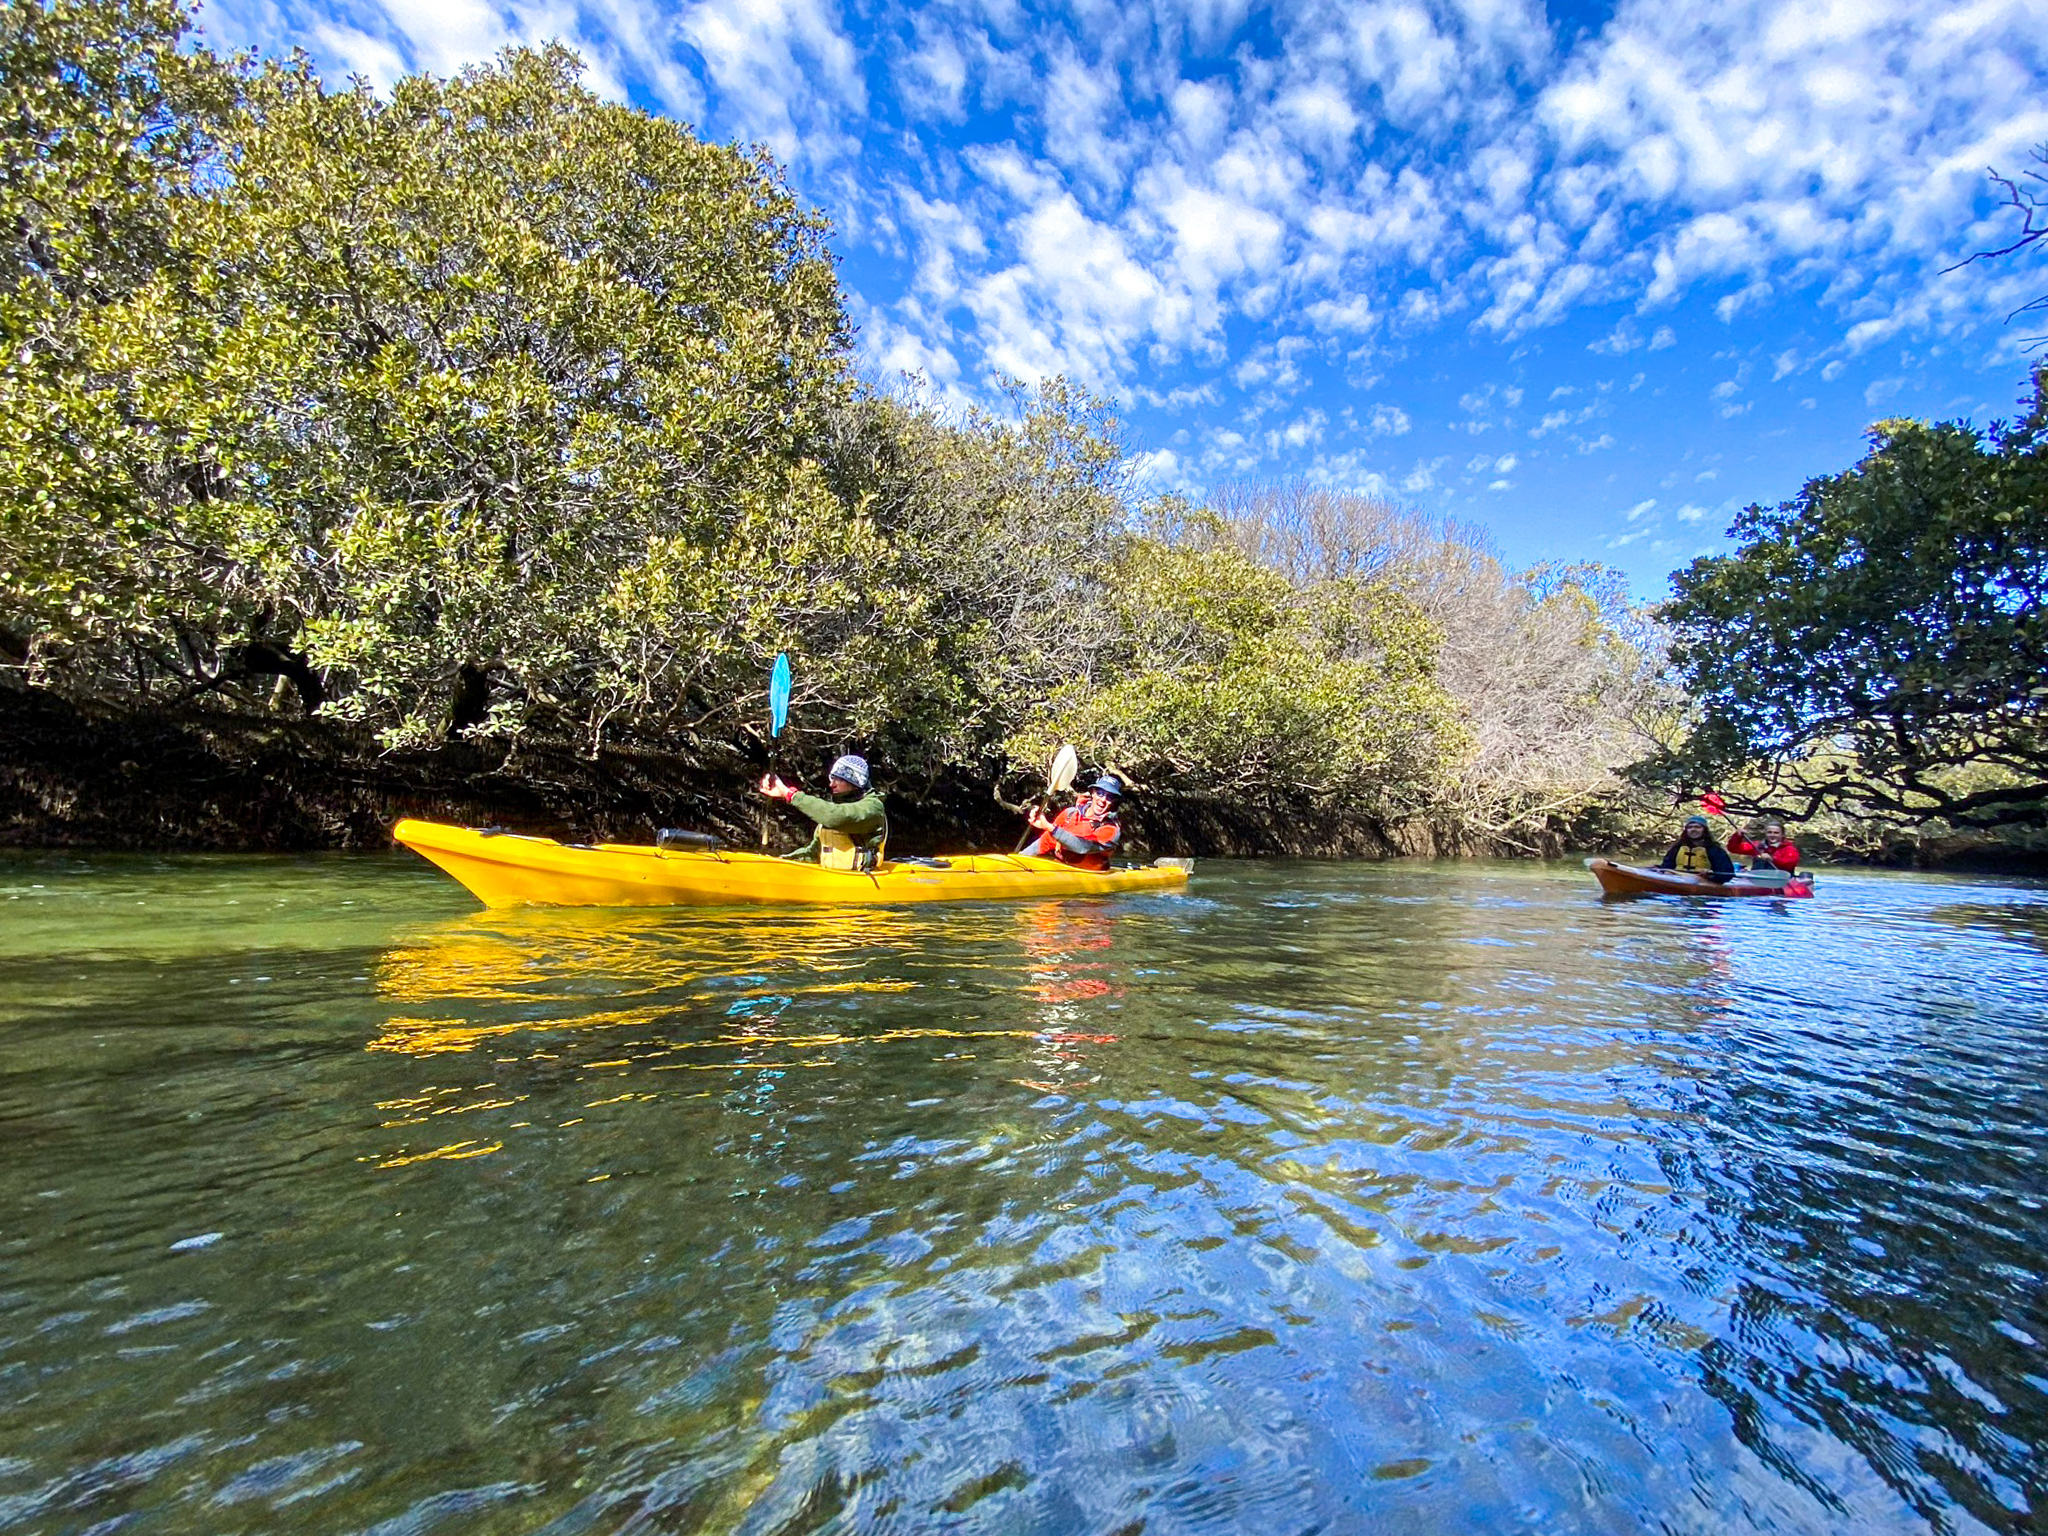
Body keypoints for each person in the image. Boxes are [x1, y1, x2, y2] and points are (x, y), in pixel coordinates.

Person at [758, 754, 887, 870]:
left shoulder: (873, 808)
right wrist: (782, 861)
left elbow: (836, 816)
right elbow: (813, 853)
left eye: (838, 779)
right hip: (832, 879)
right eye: (831, 779)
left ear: (855, 782)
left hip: (860, 882)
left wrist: (790, 794)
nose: (832, 784)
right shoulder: (835, 807)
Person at [1024, 773, 1125, 871]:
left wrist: (1049, 827)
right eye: (1100, 793)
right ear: (1093, 793)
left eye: (1109, 797)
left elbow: (1082, 847)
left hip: (1090, 875)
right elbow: (1047, 840)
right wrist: (1020, 859)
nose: (1103, 799)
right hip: (1061, 867)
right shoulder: (1069, 814)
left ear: (1114, 802)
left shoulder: (1111, 830)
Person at [1659, 815, 1734, 880]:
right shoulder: (1677, 848)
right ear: (1686, 830)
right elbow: (1666, 866)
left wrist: (1712, 874)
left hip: (1704, 881)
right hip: (1678, 878)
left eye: (1697, 827)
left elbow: (1727, 873)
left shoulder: (1714, 850)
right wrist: (1666, 871)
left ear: (1704, 830)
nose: (1693, 829)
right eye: (1690, 827)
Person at [1728, 819, 1799, 874]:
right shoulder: (1757, 845)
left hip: (1779, 882)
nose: (1772, 835)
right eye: (1769, 832)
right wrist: (1737, 836)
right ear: (1766, 833)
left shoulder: (1790, 849)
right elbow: (1733, 848)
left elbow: (1789, 864)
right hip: (1757, 880)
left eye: (1776, 833)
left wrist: (1772, 859)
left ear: (1782, 835)